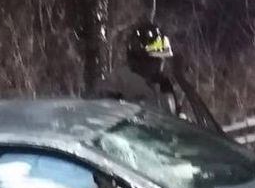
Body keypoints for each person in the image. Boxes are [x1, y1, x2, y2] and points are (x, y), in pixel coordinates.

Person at [91, 21, 222, 133]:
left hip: (164, 148)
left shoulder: (164, 85)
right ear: (141, 58)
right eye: (155, 60)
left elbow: (175, 117)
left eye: (161, 60)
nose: (160, 65)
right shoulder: (118, 81)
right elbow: (100, 120)